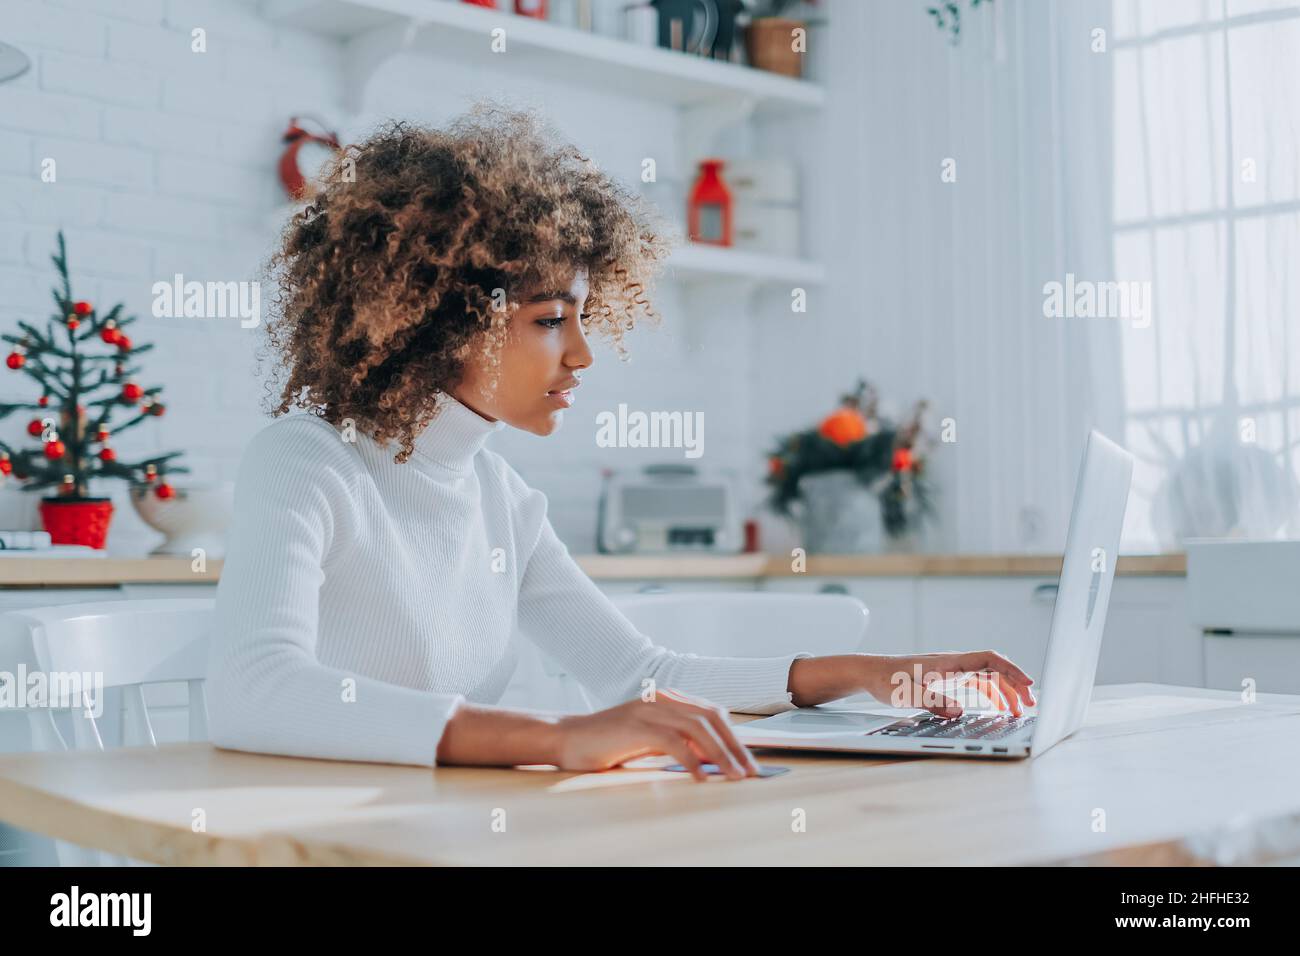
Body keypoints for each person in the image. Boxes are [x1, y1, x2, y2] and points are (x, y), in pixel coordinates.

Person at [208, 105, 1034, 783]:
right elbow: (254, 689)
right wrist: (556, 737)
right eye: (546, 322)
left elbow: (639, 674)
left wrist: (870, 674)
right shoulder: (307, 462)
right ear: (439, 322)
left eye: (581, 318)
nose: (581, 355)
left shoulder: (501, 499)